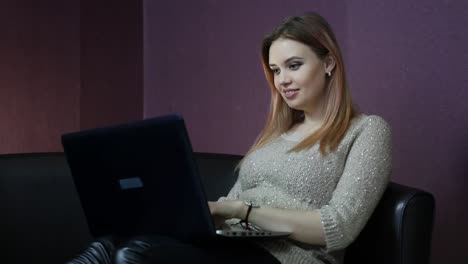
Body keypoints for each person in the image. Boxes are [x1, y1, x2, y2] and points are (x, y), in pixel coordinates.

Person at [68, 12, 391, 264]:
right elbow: (233, 205)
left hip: (289, 258)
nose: (282, 80)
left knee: (136, 254)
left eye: (293, 65)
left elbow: (339, 228)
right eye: (275, 70)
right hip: (235, 246)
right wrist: (198, 213)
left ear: (329, 62)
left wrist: (241, 209)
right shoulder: (277, 135)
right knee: (111, 242)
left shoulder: (366, 130)